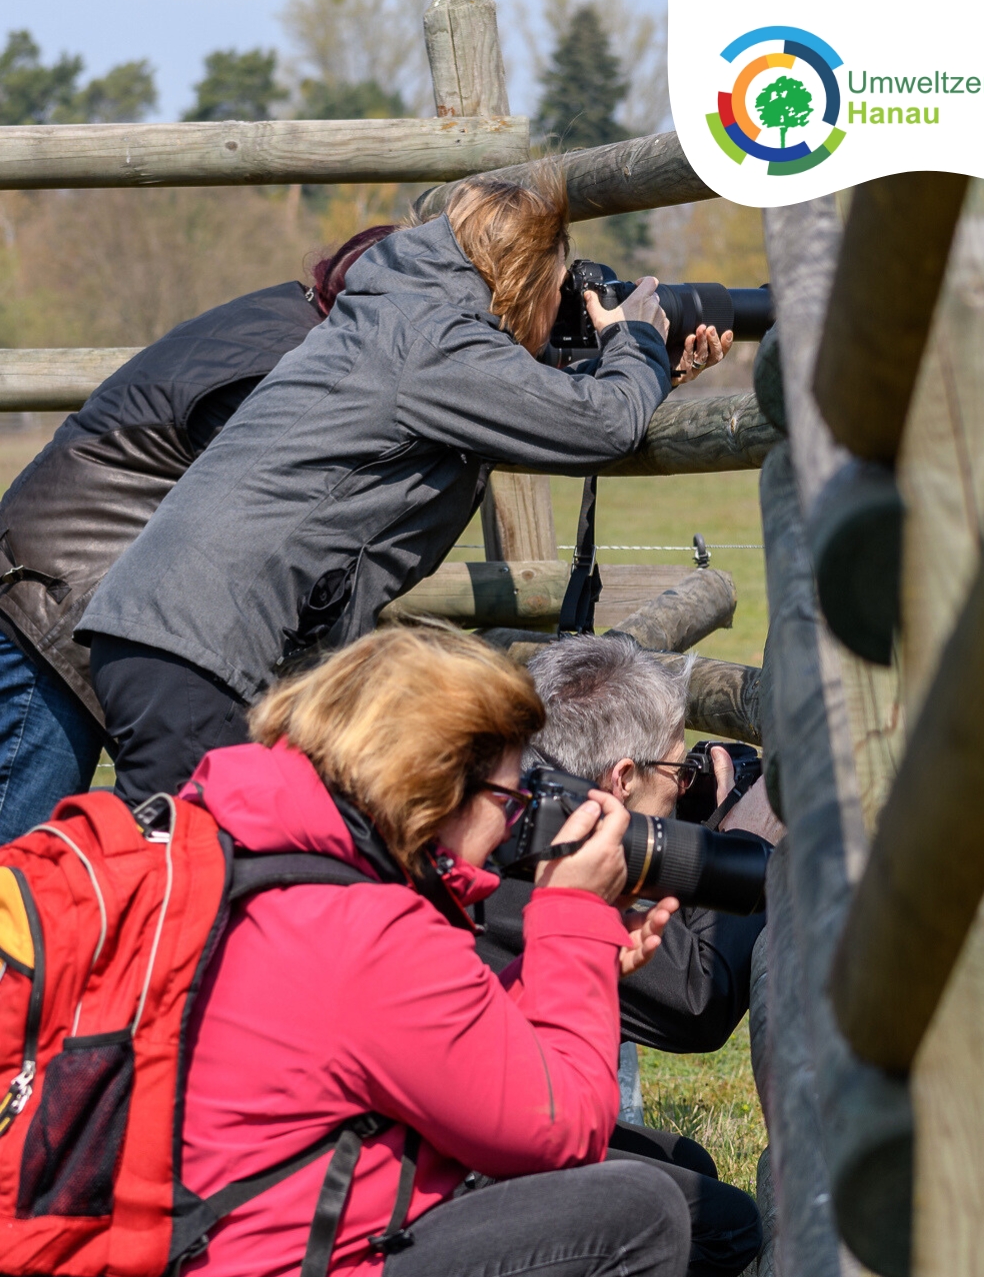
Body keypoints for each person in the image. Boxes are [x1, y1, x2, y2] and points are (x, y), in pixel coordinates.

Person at [51, 624, 690, 1277]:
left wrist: (564, 966)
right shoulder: (363, 925)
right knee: (635, 1217)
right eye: (508, 797)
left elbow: (422, 1050)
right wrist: (572, 916)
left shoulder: (239, 847)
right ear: (440, 783)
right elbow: (564, 1128)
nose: (515, 824)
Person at [76, 167, 731, 807]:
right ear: (526, 277)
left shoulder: (405, 312)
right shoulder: (434, 341)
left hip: (176, 630)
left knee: (214, 863)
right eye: (555, 291)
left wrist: (645, 375)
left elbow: (541, 408)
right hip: (202, 644)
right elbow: (601, 425)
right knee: (187, 881)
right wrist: (636, 335)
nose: (559, 309)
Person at [0, 225, 397, 843]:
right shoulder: (294, 362)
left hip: (46, 574)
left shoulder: (280, 318)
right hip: (53, 605)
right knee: (15, 850)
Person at [474, 634, 782, 1277]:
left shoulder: (516, 821)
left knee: (686, 1162)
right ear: (619, 778)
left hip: (487, 1119)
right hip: (450, 1171)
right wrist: (742, 836)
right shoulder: (546, 873)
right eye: (675, 774)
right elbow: (700, 999)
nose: (682, 790)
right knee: (719, 1224)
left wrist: (692, 822)